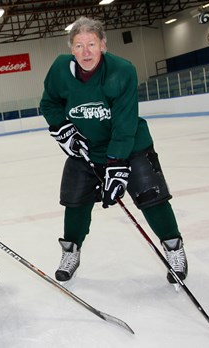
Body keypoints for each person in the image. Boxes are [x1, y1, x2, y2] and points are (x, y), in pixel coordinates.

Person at [39, 17, 188, 285]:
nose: (86, 52)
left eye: (91, 44)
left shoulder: (121, 71)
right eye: (79, 45)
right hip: (86, 148)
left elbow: (125, 122)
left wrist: (117, 163)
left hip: (130, 145)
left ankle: (173, 247)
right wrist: (63, 128)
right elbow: (49, 104)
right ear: (71, 48)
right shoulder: (60, 70)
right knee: (74, 201)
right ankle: (71, 251)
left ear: (103, 45)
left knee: (151, 197)